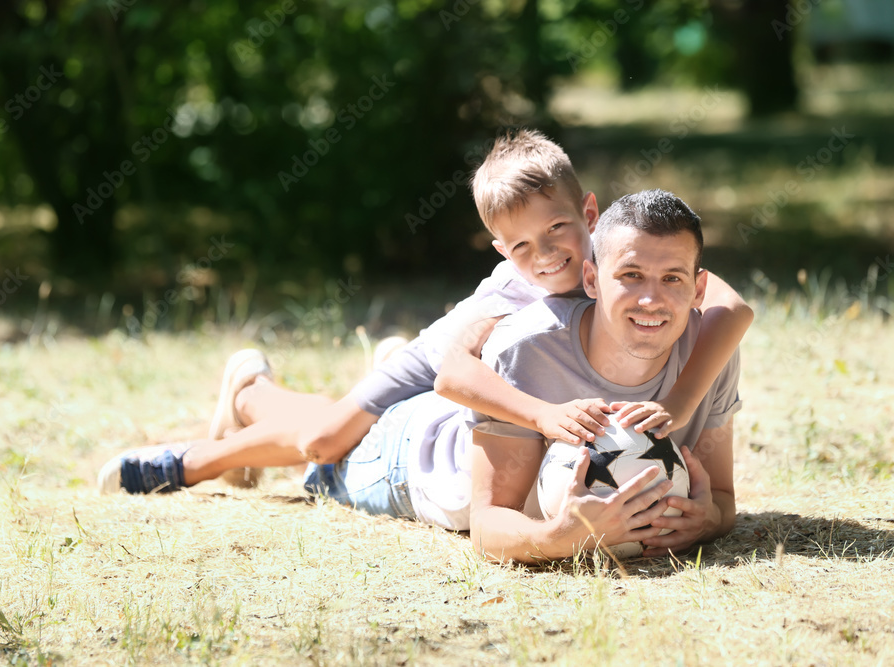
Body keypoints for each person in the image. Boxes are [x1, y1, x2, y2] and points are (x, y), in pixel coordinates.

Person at [98, 130, 751, 515]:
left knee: (352, 432)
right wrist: (542, 417)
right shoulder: (510, 299)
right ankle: (205, 447)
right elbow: (454, 375)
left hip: (471, 378)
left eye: (558, 229)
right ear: (502, 252)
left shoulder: (623, 262)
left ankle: (264, 393)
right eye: (522, 245)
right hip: (443, 357)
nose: (547, 255)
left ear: (588, 210)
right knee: (329, 440)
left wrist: (678, 400)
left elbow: (732, 306)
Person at [468, 189, 741, 560]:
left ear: (699, 289)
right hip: (412, 462)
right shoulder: (524, 352)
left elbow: (723, 499)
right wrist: (557, 539)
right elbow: (484, 524)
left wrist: (708, 520)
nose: (651, 300)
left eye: (673, 279)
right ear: (592, 280)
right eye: (632, 275)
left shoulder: (711, 352)